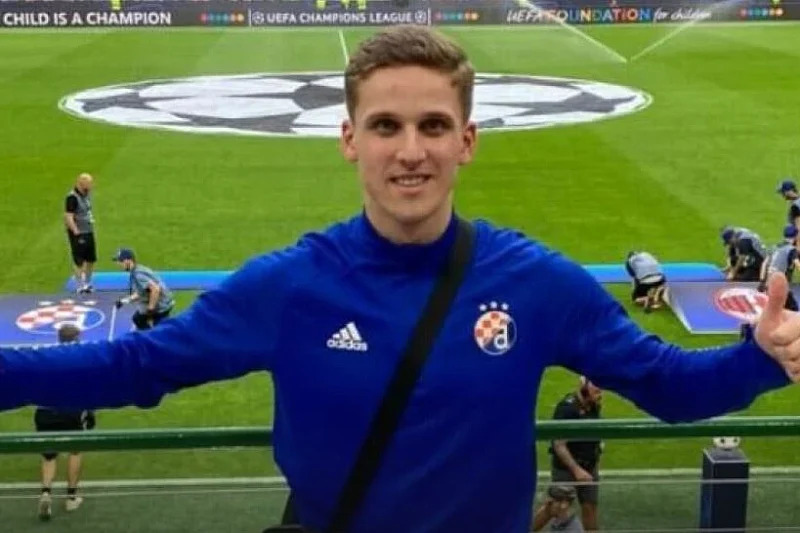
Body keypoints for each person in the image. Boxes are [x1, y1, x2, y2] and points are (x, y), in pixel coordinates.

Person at [0, 26, 799, 533]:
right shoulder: (291, 285)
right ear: (349, 139)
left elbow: (665, 382)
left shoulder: (535, 282)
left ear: (468, 140)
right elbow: (139, 365)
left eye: (432, 126)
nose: (409, 149)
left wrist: (759, 356)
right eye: (386, 125)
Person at [33, 324, 95, 520]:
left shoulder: (46, 357)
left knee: (48, 456)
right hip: (71, 410)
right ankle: (71, 497)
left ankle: (45, 493)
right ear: (76, 339)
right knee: (75, 451)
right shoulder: (83, 359)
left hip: (45, 411)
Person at [546, 377, 602, 530]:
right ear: (584, 388)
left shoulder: (593, 405)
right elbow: (559, 445)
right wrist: (577, 471)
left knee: (590, 507)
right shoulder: (566, 409)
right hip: (566, 468)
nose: (600, 393)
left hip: (589, 466)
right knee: (555, 507)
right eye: (596, 389)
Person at [112, 248, 175, 330]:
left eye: (120, 261)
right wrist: (124, 301)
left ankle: (152, 337)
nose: (119, 264)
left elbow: (155, 289)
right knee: (138, 319)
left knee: (142, 321)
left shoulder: (138, 275)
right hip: (164, 302)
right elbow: (141, 292)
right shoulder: (137, 270)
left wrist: (150, 311)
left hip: (162, 306)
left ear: (128, 261)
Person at [64, 172, 96, 294]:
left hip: (88, 230)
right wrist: (76, 232)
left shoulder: (86, 194)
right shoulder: (72, 198)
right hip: (79, 232)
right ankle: (80, 285)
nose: (91, 186)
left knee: (91, 259)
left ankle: (87, 283)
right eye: (89, 183)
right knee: (79, 260)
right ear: (82, 183)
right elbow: (68, 216)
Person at [760, 225, 800, 311]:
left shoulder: (774, 247)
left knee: (772, 310)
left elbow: (764, 264)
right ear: (796, 236)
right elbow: (797, 265)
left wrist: (762, 282)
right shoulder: (791, 250)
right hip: (781, 285)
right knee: (793, 310)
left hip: (768, 283)